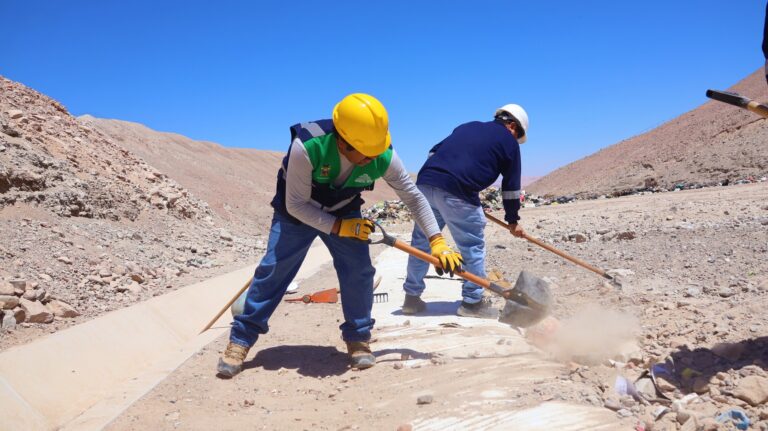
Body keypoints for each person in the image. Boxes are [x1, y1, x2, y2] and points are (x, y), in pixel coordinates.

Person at [217, 93, 463, 377]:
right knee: (274, 269)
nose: (371, 159)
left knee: (359, 271)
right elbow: (295, 204)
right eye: (364, 153)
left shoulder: (383, 154)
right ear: (342, 141)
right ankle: (241, 340)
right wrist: (337, 227)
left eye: (375, 152)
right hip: (296, 211)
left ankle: (358, 339)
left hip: (344, 209)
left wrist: (438, 241)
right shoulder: (307, 147)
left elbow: (414, 198)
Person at [400, 104, 529, 319]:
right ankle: (472, 303)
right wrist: (513, 220)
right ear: (513, 125)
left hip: (425, 184)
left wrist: (441, 188)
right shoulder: (509, 143)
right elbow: (511, 187)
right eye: (518, 135)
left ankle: (411, 299)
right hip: (457, 191)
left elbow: (434, 151)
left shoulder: (467, 126)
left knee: (422, 243)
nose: (516, 140)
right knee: (472, 247)